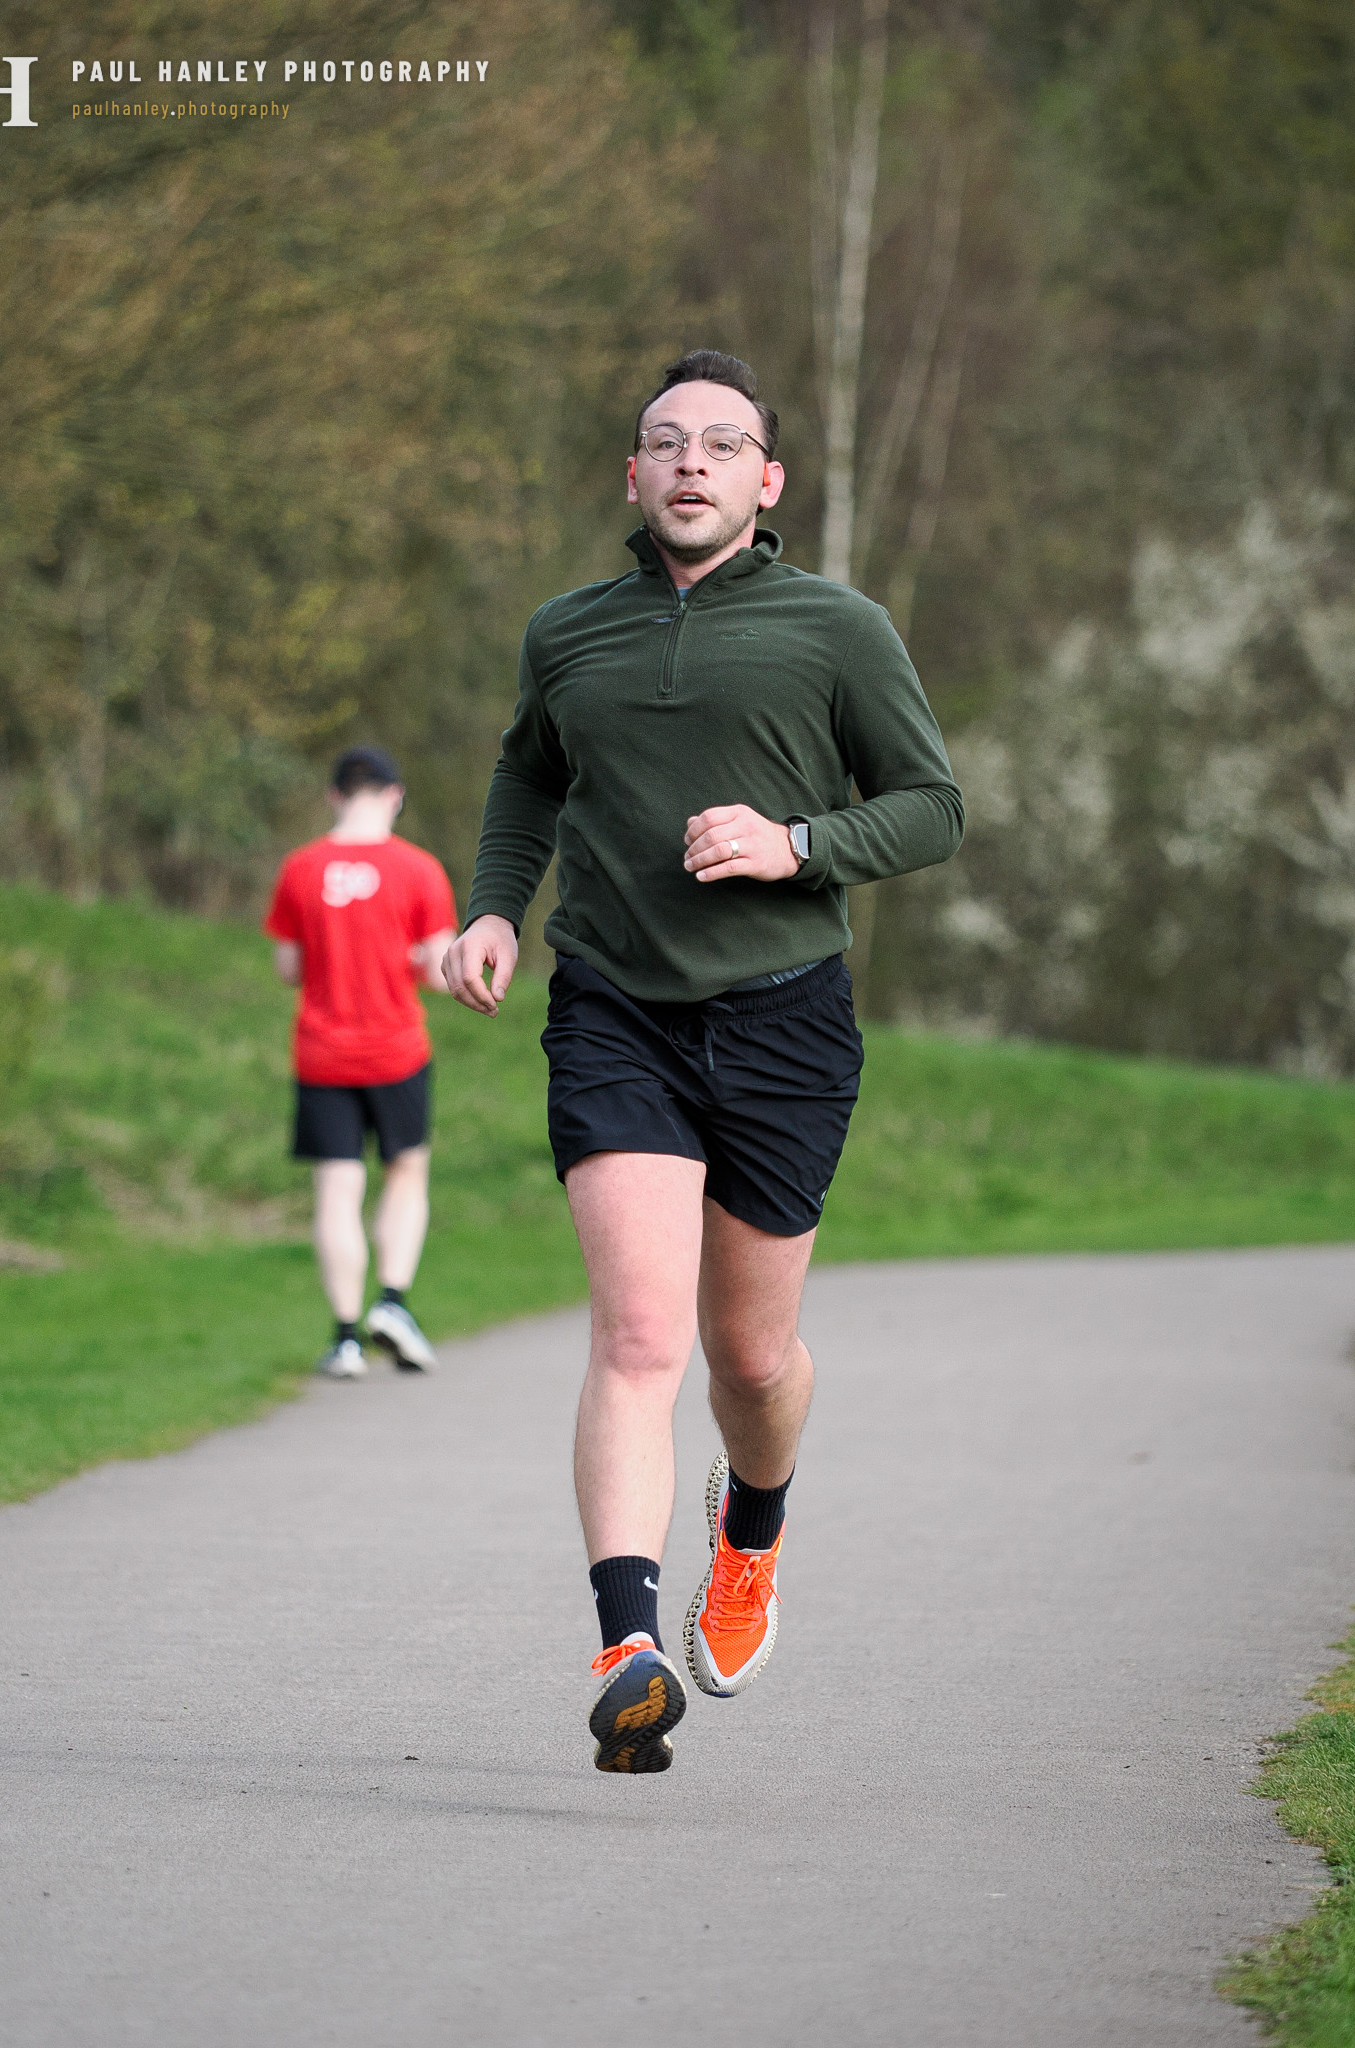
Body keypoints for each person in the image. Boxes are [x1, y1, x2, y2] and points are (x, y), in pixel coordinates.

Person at [444, 350, 963, 1773]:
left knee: (749, 1353)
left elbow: (933, 807)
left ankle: (753, 1527)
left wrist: (799, 846)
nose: (691, 464)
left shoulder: (836, 629)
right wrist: (495, 903)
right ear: (632, 474)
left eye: (722, 445)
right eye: (665, 443)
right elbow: (526, 774)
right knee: (639, 1334)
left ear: (765, 481)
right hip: (615, 1008)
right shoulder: (569, 633)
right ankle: (626, 1647)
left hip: (787, 1016)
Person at [266, 745, 456, 1379]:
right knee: (405, 1172)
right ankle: (394, 1302)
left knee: (337, 1189)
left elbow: (288, 967)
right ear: (396, 795)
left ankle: (345, 1337)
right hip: (396, 1050)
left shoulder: (300, 868)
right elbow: (439, 967)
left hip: (322, 1053)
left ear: (334, 796)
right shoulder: (420, 870)